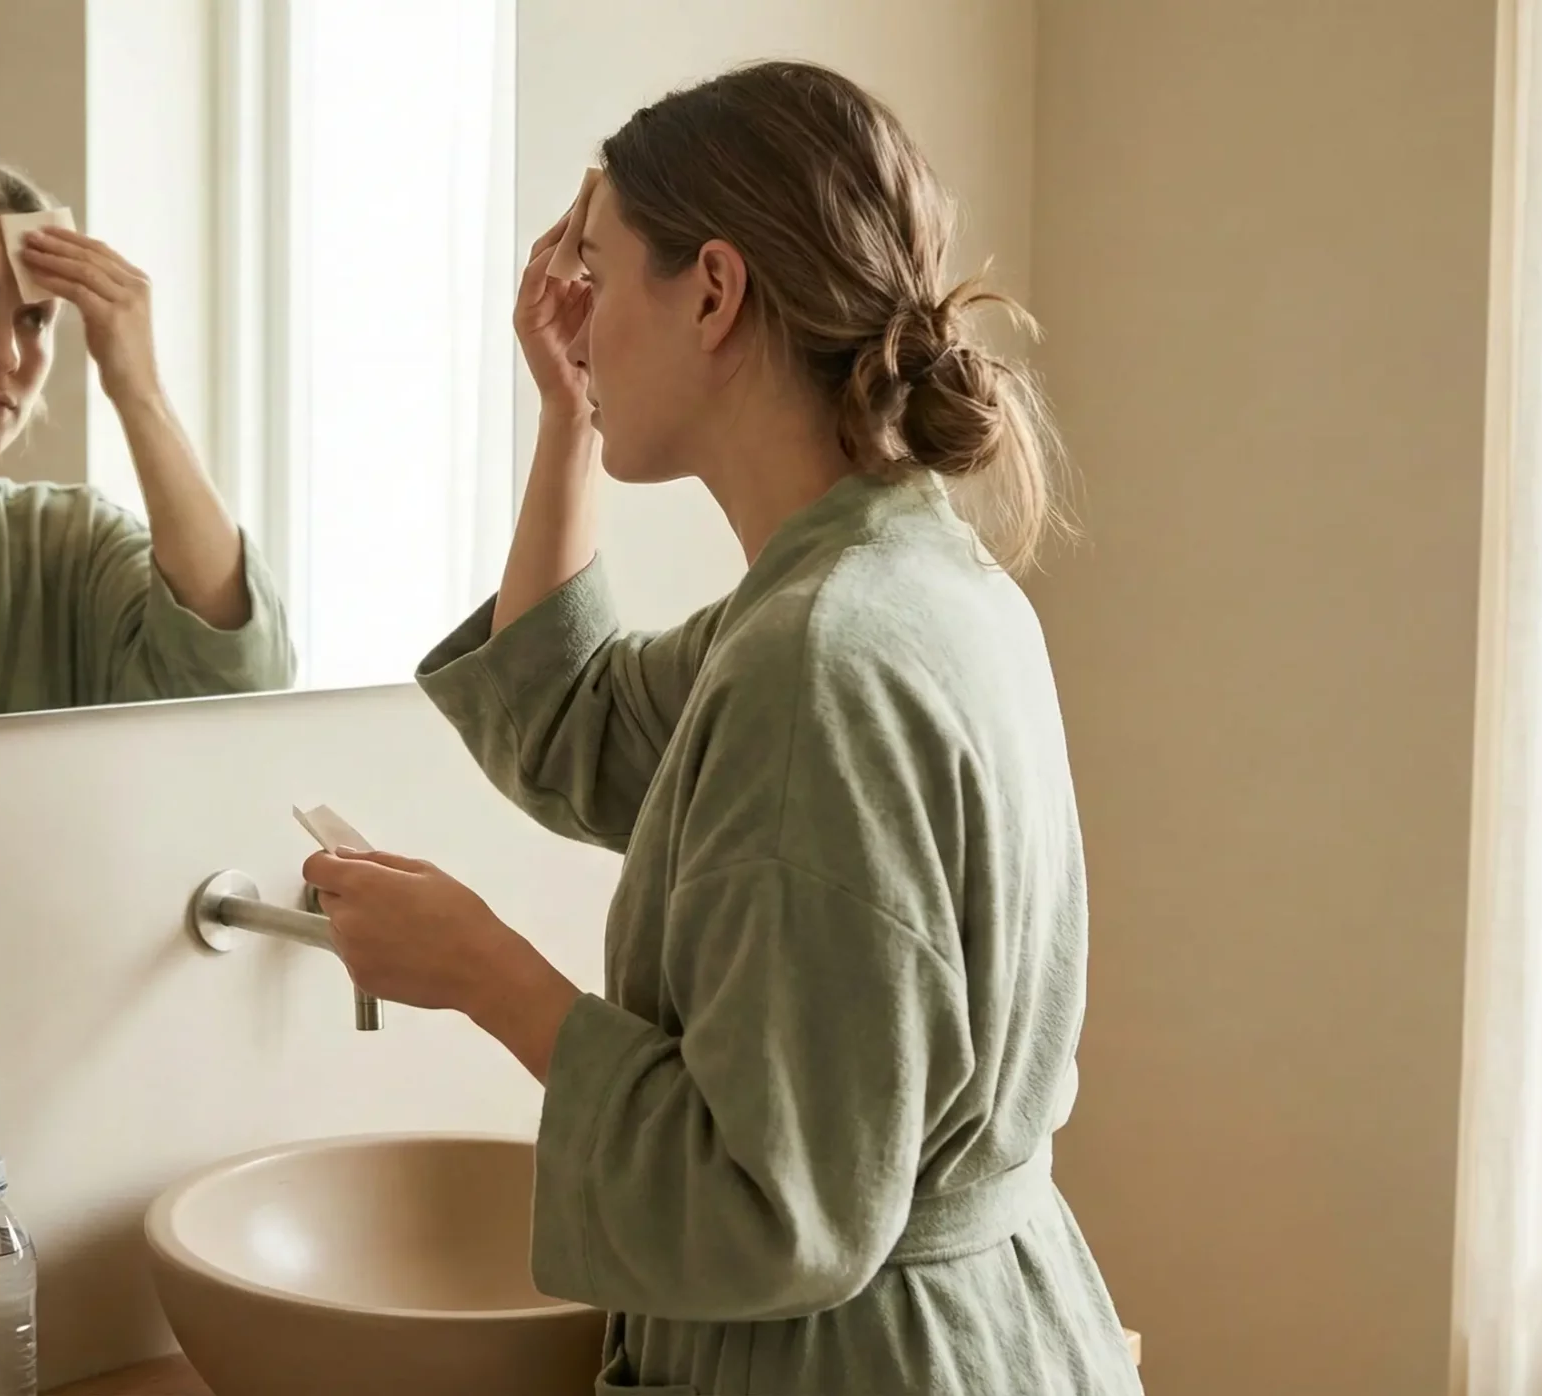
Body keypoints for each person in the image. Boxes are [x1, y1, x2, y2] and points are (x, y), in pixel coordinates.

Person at [300, 61, 1143, 1395]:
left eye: (597, 269)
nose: (575, 316)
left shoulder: (820, 659)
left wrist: (483, 972)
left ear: (712, 290)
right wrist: (566, 416)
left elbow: (774, 1203)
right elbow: (572, 724)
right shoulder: (895, 582)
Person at [0, 154, 293, 722]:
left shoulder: (75, 547)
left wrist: (139, 389)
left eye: (34, 319)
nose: (6, 355)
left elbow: (241, 682)